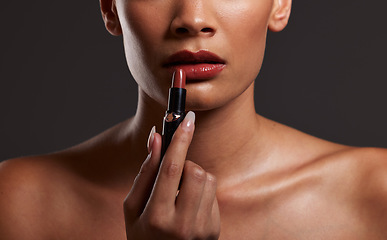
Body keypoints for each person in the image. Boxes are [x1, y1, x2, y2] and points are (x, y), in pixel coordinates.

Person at [1, 0, 387, 239]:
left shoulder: (376, 196)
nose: (193, 18)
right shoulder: (17, 207)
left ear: (279, 3)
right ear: (109, 7)